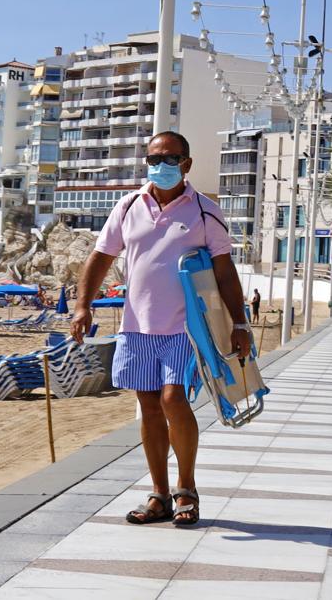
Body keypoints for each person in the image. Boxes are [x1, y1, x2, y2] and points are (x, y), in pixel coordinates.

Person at [72, 131, 249, 527]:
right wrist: (82, 305)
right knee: (149, 407)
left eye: (169, 159)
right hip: (137, 327)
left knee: (173, 399)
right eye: (153, 159)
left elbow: (224, 269)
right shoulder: (128, 206)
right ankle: (160, 495)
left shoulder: (205, 211)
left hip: (188, 328)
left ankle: (187, 488)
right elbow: (101, 257)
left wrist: (239, 323)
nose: (160, 166)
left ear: (187, 164)